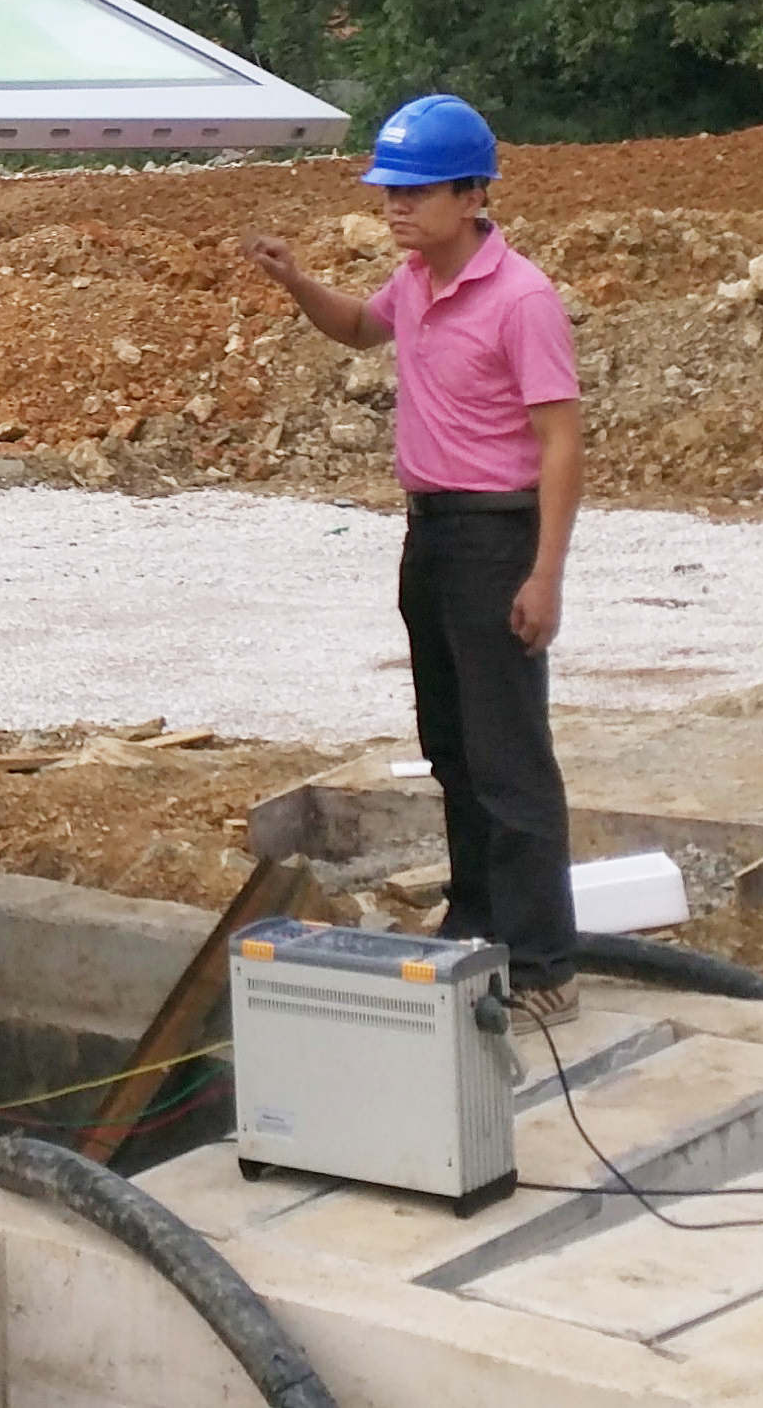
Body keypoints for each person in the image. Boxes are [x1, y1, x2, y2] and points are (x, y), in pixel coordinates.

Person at [238, 94, 587, 1024]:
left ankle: (543, 963)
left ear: (474, 194)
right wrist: (296, 282)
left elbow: (561, 441)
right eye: (389, 190)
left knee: (509, 755)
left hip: (494, 534)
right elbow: (358, 327)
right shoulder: (418, 284)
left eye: (416, 191)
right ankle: (477, 925)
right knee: (453, 747)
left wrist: (545, 572)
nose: (396, 207)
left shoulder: (521, 299)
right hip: (430, 532)